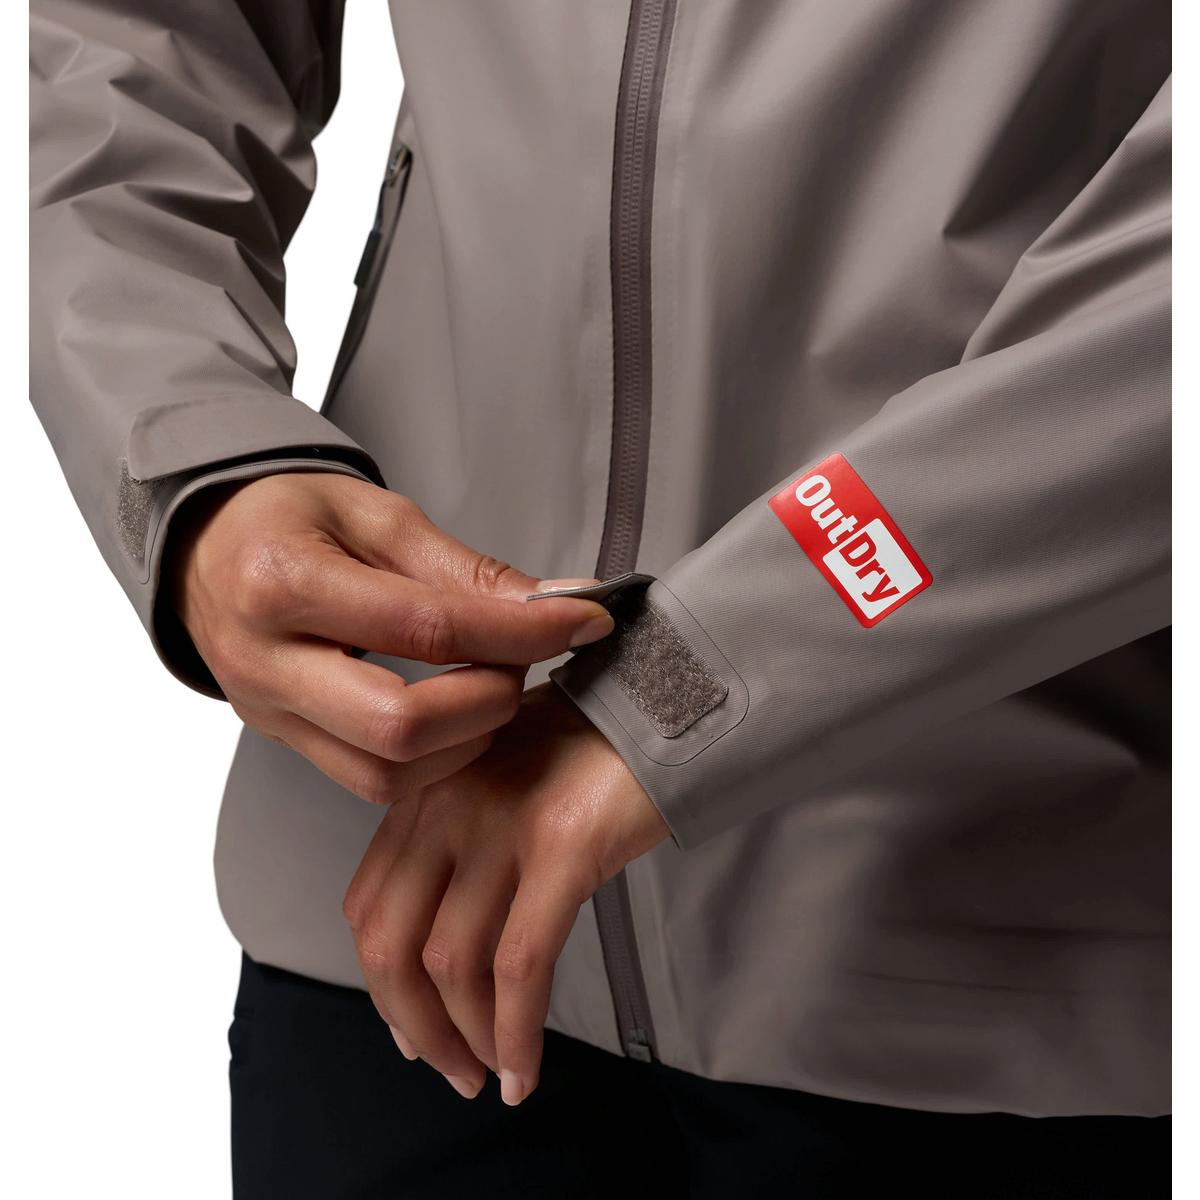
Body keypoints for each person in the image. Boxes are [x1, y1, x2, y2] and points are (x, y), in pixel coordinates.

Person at [30, 1, 1171, 1196]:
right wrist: (192, 462)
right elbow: (142, 43)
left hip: (980, 960)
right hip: (396, 932)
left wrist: (689, 687)